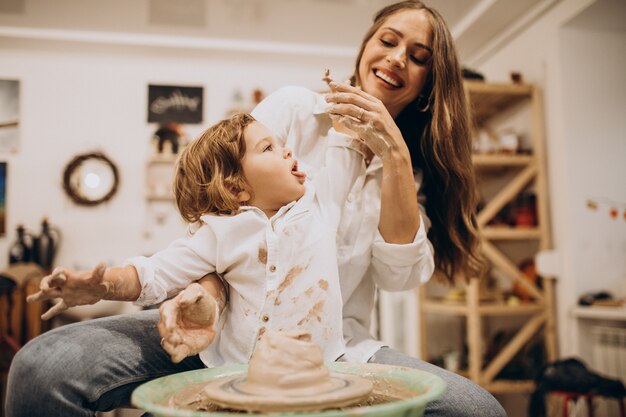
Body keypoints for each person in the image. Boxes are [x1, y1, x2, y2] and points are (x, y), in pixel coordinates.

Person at [7, 2, 507, 416]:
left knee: (478, 410)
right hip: (223, 335)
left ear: (428, 83)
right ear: (364, 47)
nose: (397, 58)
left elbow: (398, 279)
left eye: (418, 56)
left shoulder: (410, 174)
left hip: (337, 349)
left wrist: (394, 155)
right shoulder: (291, 112)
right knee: (43, 368)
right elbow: (224, 213)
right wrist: (209, 295)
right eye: (388, 40)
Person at [6, 109, 368, 415]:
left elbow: (346, 147)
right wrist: (104, 284)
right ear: (238, 188)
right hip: (231, 380)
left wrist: (351, 110)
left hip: (320, 378)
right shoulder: (219, 233)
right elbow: (153, 272)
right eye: (269, 147)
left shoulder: (321, 205)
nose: (288, 150)